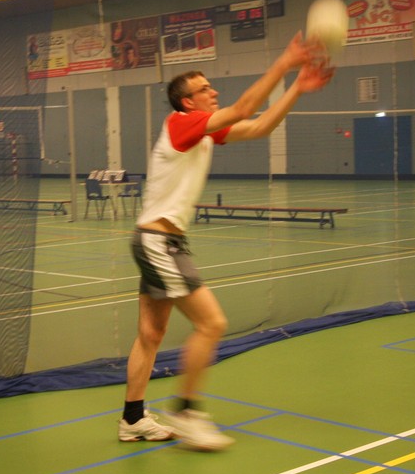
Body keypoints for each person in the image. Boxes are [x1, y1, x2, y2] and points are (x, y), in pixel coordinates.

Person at [118, 33, 334, 450]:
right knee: (211, 324)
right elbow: (244, 108)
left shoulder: (202, 132)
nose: (213, 92)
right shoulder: (180, 125)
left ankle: (133, 419)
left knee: (151, 334)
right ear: (187, 103)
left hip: (157, 241)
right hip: (159, 243)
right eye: (204, 89)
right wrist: (284, 63)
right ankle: (187, 412)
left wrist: (296, 88)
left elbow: (259, 126)